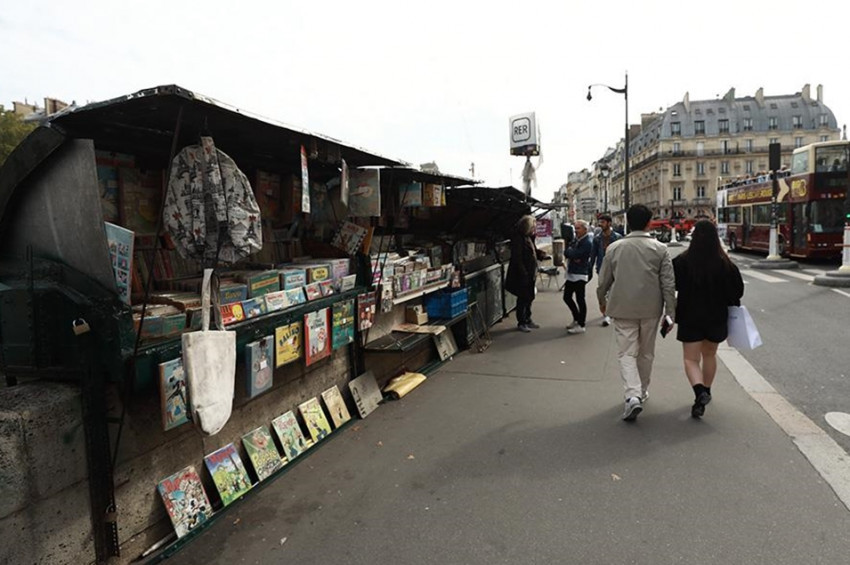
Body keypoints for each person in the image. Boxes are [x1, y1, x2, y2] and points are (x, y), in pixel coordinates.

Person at [596, 204, 676, 421]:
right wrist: (670, 312)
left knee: (626, 353)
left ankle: (632, 395)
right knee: (646, 352)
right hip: (651, 309)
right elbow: (668, 284)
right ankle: (640, 391)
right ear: (649, 222)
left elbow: (603, 281)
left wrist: (601, 300)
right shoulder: (660, 248)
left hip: (622, 308)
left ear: (628, 222)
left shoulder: (614, 248)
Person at [672, 219, 744, 418]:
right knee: (709, 355)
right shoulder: (726, 264)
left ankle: (699, 392)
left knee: (690, 359)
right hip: (717, 317)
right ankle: (707, 391)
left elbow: (672, 286)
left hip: (690, 316)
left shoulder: (681, 261)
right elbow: (737, 292)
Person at [505, 215, 546, 332]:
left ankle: (528, 318)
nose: (535, 228)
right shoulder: (518, 238)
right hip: (523, 274)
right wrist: (524, 273)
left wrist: (540, 254)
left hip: (530, 272)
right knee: (523, 298)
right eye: (533, 226)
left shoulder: (528, 237)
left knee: (529, 297)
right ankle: (521, 321)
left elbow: (533, 250)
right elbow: (517, 258)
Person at [590, 214, 622, 327]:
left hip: (616, 268)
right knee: (602, 291)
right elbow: (593, 255)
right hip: (602, 268)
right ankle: (606, 312)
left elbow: (622, 254)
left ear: (609, 223)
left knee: (613, 291)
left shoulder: (618, 237)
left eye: (602, 222)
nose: (600, 224)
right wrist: (589, 269)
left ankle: (609, 313)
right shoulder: (597, 239)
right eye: (600, 222)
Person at [562, 219, 593, 334]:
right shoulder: (577, 239)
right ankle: (576, 318)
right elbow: (567, 252)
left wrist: (572, 253)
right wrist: (571, 253)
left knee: (580, 299)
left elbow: (576, 254)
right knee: (567, 297)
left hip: (580, 273)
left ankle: (581, 324)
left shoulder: (587, 242)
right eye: (575, 228)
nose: (576, 231)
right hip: (572, 272)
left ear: (585, 229)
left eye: (578, 228)